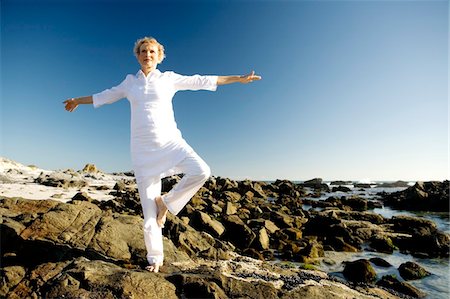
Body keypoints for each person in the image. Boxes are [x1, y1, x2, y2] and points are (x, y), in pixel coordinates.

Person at [64, 36, 261, 273]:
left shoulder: (169, 79)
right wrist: (77, 100)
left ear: (159, 56)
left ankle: (165, 202)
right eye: (143, 51)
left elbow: (202, 80)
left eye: (152, 52)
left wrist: (238, 79)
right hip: (142, 152)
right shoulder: (129, 83)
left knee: (202, 171)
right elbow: (104, 96)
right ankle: (155, 260)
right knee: (149, 217)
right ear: (138, 56)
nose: (148, 55)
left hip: (171, 144)